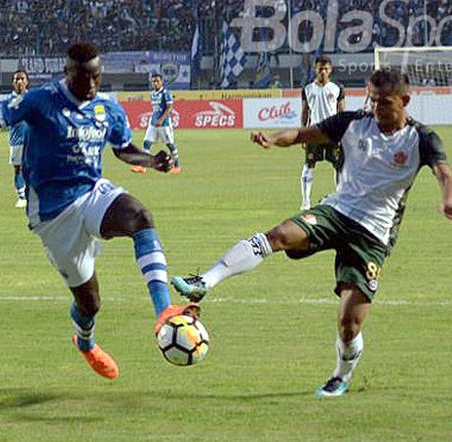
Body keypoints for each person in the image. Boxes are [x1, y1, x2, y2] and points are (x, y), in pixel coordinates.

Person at [172, 69, 451, 397]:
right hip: (336, 212)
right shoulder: (352, 122)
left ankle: (340, 375)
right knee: (279, 234)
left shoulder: (421, 138)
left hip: (373, 235)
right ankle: (205, 281)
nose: (376, 108)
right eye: (373, 100)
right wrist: (274, 139)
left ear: (405, 100)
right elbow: (303, 134)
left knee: (350, 324)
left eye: (385, 103)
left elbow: (444, 172)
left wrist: (448, 196)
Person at [0, 42, 198, 379]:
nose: (91, 85)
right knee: (90, 303)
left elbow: (123, 150)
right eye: (84, 78)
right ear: (67, 74)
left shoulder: (106, 108)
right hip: (54, 216)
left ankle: (164, 310)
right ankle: (85, 343)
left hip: (92, 193)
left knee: (140, 216)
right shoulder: (40, 100)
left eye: (96, 77)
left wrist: (152, 161)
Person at [300, 56, 345, 210]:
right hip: (314, 132)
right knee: (309, 165)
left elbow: (342, 111)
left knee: (339, 166)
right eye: (320, 69)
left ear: (330, 70)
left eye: (326, 69)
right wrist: (303, 133)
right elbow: (305, 112)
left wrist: (343, 132)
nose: (323, 72)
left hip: (333, 133)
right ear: (315, 70)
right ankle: (305, 201)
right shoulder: (308, 89)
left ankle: (340, 198)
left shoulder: (337, 88)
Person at [131, 73, 181, 174]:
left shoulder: (166, 93)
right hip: (153, 123)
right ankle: (143, 167)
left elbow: (169, 107)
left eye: (157, 81)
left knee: (170, 145)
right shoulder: (153, 94)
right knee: (146, 143)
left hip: (164, 124)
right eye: (153, 81)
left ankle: (176, 166)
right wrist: (155, 119)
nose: (155, 83)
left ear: (161, 82)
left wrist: (162, 119)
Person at [0, 70, 30, 208]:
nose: (19, 82)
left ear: (27, 82)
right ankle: (21, 196)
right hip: (16, 140)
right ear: (13, 83)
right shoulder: (8, 101)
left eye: (22, 79)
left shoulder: (33, 98)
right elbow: (1, 118)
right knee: (18, 169)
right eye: (16, 79)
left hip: (32, 140)